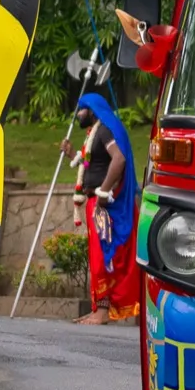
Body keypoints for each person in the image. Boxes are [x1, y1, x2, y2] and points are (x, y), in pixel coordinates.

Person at [60, 92, 139, 325]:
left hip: (102, 206)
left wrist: (103, 192)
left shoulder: (104, 131)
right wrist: (72, 154)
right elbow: (91, 164)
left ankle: (103, 311)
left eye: (81, 110)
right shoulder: (93, 133)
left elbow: (119, 159)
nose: (78, 115)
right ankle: (99, 308)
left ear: (92, 111)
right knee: (97, 256)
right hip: (95, 203)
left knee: (102, 256)